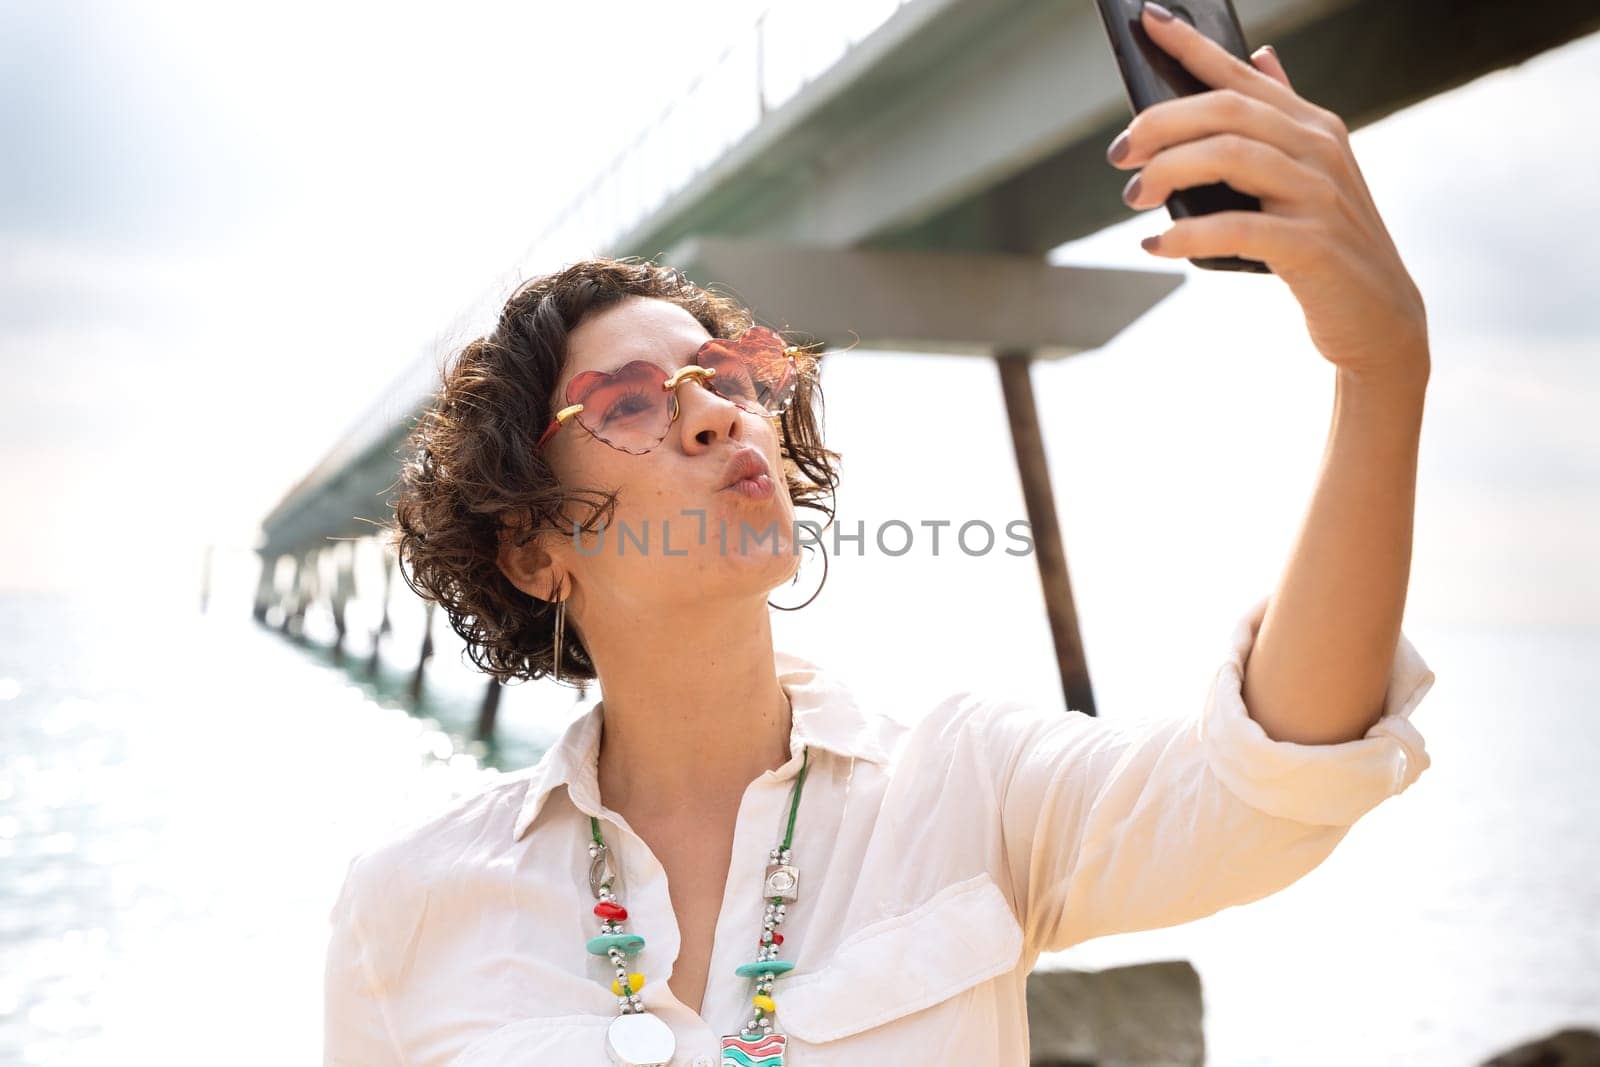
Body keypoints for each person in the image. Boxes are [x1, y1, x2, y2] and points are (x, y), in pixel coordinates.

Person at [323, 8, 1436, 1065]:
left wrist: (1380, 370)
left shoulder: (969, 791)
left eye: (726, 380)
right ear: (531, 550)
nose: (715, 413)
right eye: (626, 402)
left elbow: (1269, 781)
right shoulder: (409, 905)